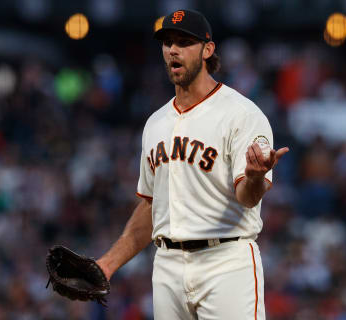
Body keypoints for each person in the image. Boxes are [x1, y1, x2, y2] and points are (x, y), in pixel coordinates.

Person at [96, 9, 289, 320]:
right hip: (167, 265)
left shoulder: (241, 113)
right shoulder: (155, 123)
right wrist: (108, 264)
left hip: (225, 261)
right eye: (167, 42)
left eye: (184, 42)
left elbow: (248, 197)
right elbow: (152, 206)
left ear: (207, 50)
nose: (173, 49)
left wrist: (254, 177)